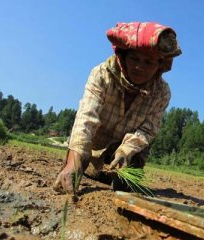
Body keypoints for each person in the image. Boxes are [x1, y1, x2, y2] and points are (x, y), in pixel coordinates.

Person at [53, 21, 181, 194]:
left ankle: (121, 177)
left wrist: (126, 151)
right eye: (134, 58)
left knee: (127, 181)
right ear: (123, 56)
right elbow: (86, 117)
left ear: (160, 66)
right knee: (75, 166)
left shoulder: (161, 92)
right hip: (93, 146)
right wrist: (72, 164)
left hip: (127, 153)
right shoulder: (102, 74)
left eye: (148, 62)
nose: (139, 67)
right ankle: (81, 166)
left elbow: (148, 129)